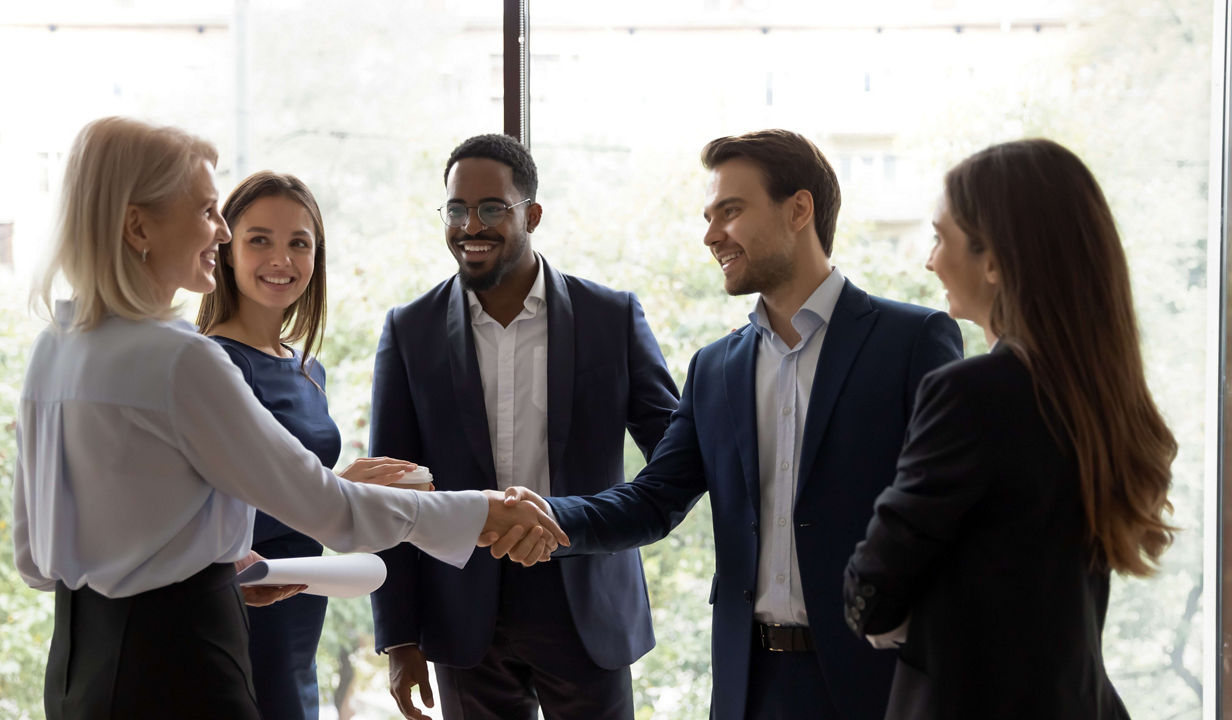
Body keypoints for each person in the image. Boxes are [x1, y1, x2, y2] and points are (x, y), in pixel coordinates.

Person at [12, 116, 566, 720]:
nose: (220, 230)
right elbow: (332, 508)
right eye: (205, 212)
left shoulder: (57, 346)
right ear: (139, 225)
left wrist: (225, 567)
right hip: (185, 662)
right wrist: (486, 509)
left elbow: (34, 557)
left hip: (76, 669)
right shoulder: (182, 359)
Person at [495, 129, 963, 720]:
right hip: (751, 685)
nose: (712, 235)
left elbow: (955, 514)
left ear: (799, 209)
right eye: (709, 216)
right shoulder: (714, 368)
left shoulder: (913, 342)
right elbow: (652, 500)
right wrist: (549, 514)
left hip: (883, 682)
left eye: (731, 211)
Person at [841, 138, 1177, 719]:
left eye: (941, 237)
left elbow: (867, 596)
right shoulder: (1104, 395)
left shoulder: (971, 394)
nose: (930, 259)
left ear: (993, 260)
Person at [369, 133, 680, 720]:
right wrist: (399, 637)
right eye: (456, 209)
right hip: (462, 614)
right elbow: (392, 491)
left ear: (531, 214)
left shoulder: (611, 318)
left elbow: (676, 458)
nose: (470, 226)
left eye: (492, 208)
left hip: (586, 599)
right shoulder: (410, 330)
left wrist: (600, 520)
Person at [196, 170, 404, 720]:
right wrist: (336, 493)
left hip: (297, 612)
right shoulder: (210, 363)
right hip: (236, 608)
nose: (281, 259)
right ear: (225, 250)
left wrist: (355, 497)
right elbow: (205, 512)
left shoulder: (309, 368)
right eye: (259, 239)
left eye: (299, 243)